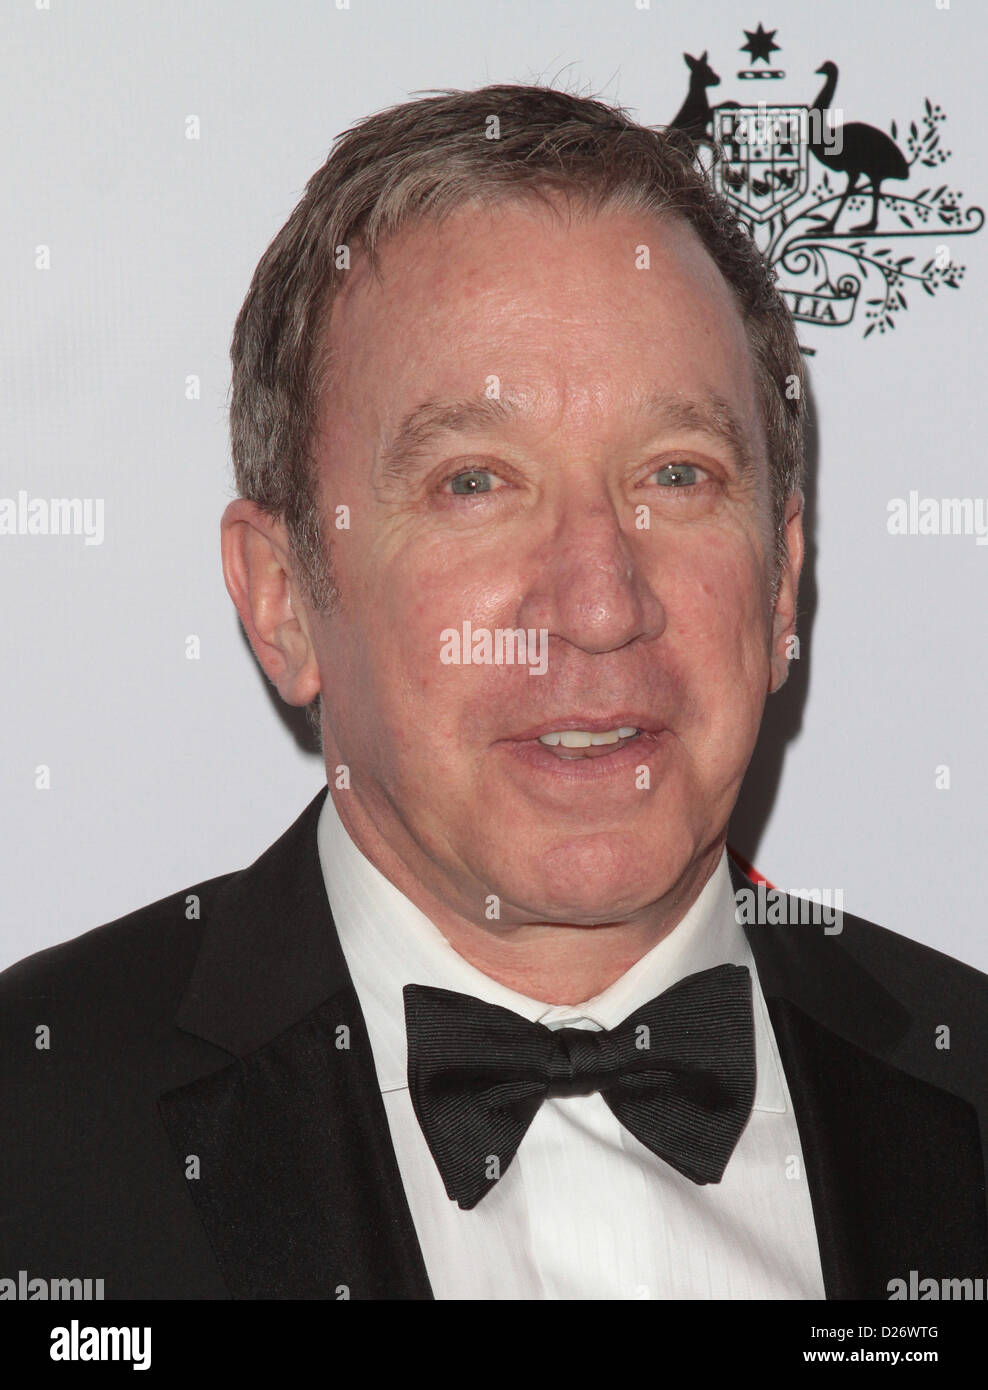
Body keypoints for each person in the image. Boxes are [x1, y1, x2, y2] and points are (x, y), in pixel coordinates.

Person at [2, 84, 986, 1302]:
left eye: (676, 474)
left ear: (781, 579)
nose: (599, 600)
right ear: (283, 600)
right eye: (475, 484)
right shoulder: (30, 1133)